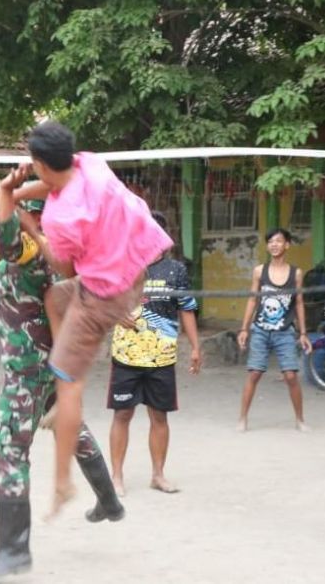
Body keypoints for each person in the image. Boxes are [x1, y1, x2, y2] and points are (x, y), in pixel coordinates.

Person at [11, 120, 172, 519]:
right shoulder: (90, 164)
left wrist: (29, 224)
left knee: (68, 387)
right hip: (134, 267)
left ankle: (63, 484)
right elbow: (52, 184)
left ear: (40, 165)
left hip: (103, 293)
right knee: (55, 298)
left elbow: (64, 267)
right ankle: (66, 364)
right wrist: (17, 192)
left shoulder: (61, 218)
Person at [0, 177, 125, 583]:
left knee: (10, 445)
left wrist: (9, 193)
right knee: (73, 430)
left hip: (29, 366)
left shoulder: (31, 251)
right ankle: (109, 502)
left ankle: (14, 550)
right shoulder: (57, 255)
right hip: (46, 362)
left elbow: (9, 240)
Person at [108, 211, 202, 496]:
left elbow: (186, 309)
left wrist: (196, 347)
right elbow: (101, 299)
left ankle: (158, 475)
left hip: (162, 356)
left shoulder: (176, 270)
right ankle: (116, 477)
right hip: (126, 355)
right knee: (122, 414)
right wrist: (115, 313)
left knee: (159, 416)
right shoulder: (122, 264)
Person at [236, 228, 312, 432]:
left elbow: (299, 303)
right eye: (270, 241)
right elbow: (252, 300)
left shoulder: (296, 274)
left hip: (285, 332)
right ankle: (242, 418)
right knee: (254, 373)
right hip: (260, 330)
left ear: (287, 245)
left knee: (291, 376)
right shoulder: (259, 272)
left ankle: (300, 419)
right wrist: (244, 329)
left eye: (278, 241)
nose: (274, 245)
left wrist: (303, 333)